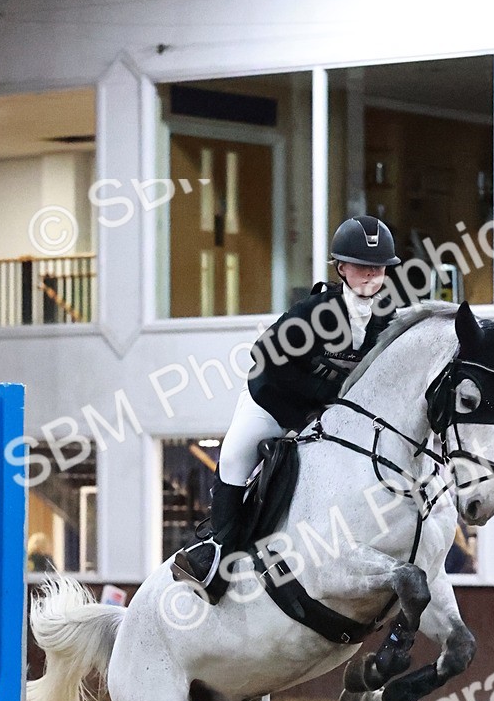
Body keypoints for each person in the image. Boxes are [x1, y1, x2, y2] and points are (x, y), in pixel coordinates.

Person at [172, 215, 401, 602]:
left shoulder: (385, 319)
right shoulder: (314, 314)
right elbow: (264, 357)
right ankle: (216, 551)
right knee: (234, 456)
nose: (371, 277)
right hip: (273, 405)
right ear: (342, 269)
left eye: (378, 269)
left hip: (329, 420)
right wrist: (322, 395)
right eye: (362, 268)